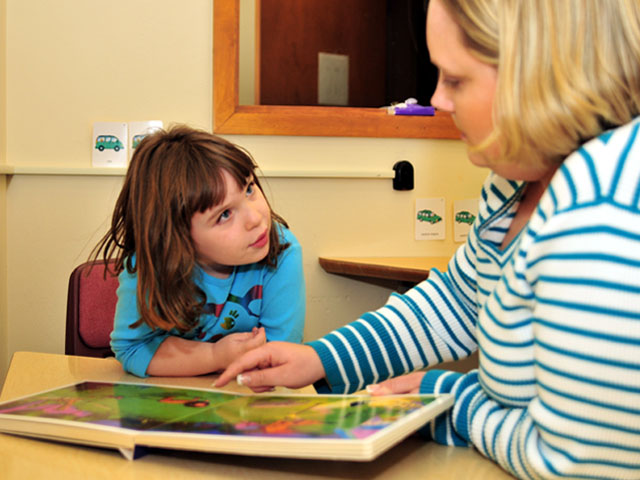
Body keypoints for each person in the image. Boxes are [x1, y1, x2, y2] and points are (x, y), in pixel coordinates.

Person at [216, 0, 640, 478]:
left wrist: (450, 401)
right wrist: (321, 358)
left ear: (545, 76)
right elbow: (458, 301)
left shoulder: (601, 218)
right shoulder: (513, 182)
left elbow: (572, 462)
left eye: (455, 79)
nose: (437, 99)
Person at [91, 125, 305, 378]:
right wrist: (216, 357)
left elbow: (280, 357)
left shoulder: (281, 250)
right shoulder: (149, 265)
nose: (256, 218)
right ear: (177, 236)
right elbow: (132, 348)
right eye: (224, 214)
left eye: (249, 189)